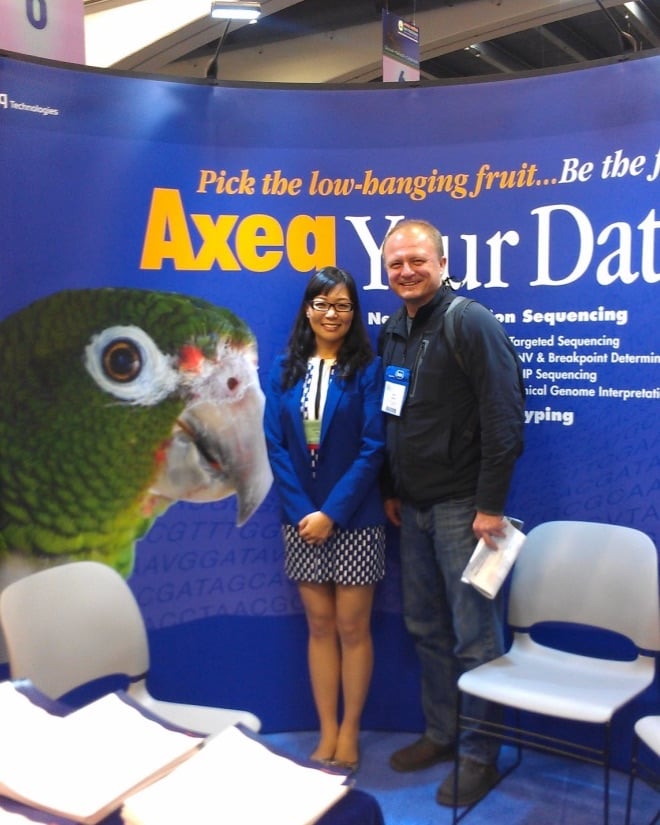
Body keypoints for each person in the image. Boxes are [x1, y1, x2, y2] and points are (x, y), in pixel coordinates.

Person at [378, 218, 525, 806]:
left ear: (441, 262)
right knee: (425, 629)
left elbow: (505, 417)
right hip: (410, 509)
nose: (406, 271)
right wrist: (392, 486)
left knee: (474, 639)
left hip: (465, 511)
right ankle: (441, 733)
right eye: (396, 264)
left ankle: (478, 755)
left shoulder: (470, 322)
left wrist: (491, 505)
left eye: (417, 260)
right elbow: (394, 415)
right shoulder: (394, 329)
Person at [264, 266, 386, 773]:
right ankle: (327, 729)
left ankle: (351, 729)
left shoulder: (370, 370)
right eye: (322, 304)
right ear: (307, 310)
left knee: (352, 627)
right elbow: (276, 445)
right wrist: (305, 513)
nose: (331, 314)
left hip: (355, 520)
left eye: (341, 306)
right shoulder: (283, 369)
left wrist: (332, 513)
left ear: (353, 313)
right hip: (301, 521)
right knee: (319, 626)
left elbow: (373, 446)